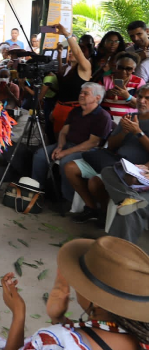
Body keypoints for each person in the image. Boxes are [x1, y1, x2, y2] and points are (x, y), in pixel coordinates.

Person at [1, 236, 149, 350]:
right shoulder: (141, 339)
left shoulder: (55, 342)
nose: (75, 285)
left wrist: (18, 313)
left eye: (80, 282)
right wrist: (58, 319)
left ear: (96, 301)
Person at [66, 84, 149, 224]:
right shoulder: (130, 117)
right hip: (114, 160)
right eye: (140, 96)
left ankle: (104, 214)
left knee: (95, 182)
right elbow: (111, 145)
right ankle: (92, 208)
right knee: (70, 168)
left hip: (135, 169)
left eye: (147, 98)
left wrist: (138, 133)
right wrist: (123, 131)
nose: (141, 101)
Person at [32, 82, 112, 202]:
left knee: (65, 162)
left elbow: (92, 143)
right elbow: (63, 132)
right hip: (68, 144)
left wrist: (65, 152)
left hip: (87, 151)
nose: (81, 95)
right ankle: (37, 190)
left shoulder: (102, 116)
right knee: (40, 155)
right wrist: (60, 146)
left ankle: (67, 199)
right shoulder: (76, 111)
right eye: (81, 92)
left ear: (97, 98)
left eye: (86, 93)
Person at [50, 24, 93, 134]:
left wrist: (67, 35)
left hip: (73, 110)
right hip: (60, 107)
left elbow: (78, 52)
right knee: (56, 139)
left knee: (68, 141)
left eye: (73, 51)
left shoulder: (85, 68)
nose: (71, 53)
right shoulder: (67, 68)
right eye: (69, 52)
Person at [101, 52, 146, 118]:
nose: (123, 71)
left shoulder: (139, 82)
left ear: (134, 69)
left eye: (128, 69)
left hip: (129, 120)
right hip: (106, 119)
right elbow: (94, 100)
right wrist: (106, 94)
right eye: (120, 68)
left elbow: (142, 105)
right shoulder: (105, 80)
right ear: (115, 66)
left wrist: (127, 96)